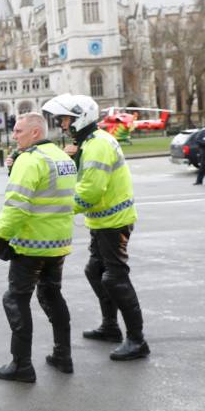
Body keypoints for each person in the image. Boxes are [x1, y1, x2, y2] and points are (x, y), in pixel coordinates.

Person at [42, 94, 150, 361]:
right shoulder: (89, 143)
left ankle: (137, 340)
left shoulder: (98, 145)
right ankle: (111, 327)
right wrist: (74, 158)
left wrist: (58, 210)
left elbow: (90, 190)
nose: (63, 125)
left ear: (81, 119)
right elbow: (82, 179)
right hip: (102, 222)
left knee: (115, 278)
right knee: (95, 271)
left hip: (114, 223)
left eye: (66, 119)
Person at [0, 113, 77, 383]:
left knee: (15, 299)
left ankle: (21, 364)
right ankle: (63, 355)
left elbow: (16, 206)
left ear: (35, 132)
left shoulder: (31, 159)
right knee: (52, 296)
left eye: (19, 130)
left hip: (31, 245)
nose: (14, 135)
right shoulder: (61, 158)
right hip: (58, 245)